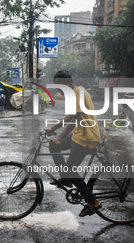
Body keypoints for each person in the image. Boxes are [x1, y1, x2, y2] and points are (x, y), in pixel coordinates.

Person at [44, 70, 102, 217]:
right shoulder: (75, 92)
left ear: (67, 83)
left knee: (70, 169)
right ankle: (67, 180)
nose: (58, 90)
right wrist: (53, 129)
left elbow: (75, 118)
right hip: (79, 134)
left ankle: (93, 202)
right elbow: (70, 116)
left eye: (60, 86)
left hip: (87, 137)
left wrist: (60, 137)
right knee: (53, 146)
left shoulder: (78, 93)